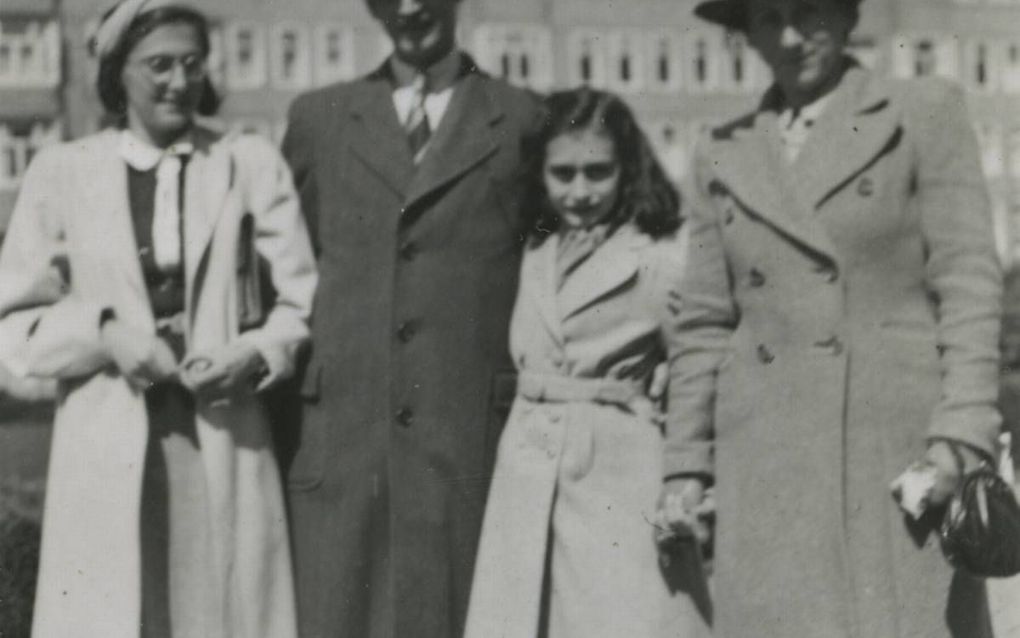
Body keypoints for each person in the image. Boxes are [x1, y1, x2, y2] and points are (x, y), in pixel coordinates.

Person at [670, 0, 1003, 636]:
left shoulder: (920, 112)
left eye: (808, 13)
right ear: (748, 35)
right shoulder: (722, 149)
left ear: (847, 16)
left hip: (890, 448)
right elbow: (704, 324)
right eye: (768, 20)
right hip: (764, 452)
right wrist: (685, 466)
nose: (791, 38)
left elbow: (967, 281)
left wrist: (959, 437)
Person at [0, 2, 317, 636]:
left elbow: (299, 298)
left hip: (223, 422)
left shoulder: (247, 162)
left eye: (192, 64)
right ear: (118, 73)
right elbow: (15, 323)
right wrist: (105, 333)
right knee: (121, 608)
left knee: (220, 607)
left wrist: (254, 353)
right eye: (159, 65)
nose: (179, 81)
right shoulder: (64, 172)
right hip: (107, 433)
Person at [278, 0, 541, 635]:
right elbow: (278, 269)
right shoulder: (319, 119)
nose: (411, 7)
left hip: (468, 438)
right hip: (343, 440)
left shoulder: (525, 118)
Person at [463, 88, 712, 638]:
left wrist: (686, 468)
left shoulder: (658, 256)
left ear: (628, 169)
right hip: (527, 469)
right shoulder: (534, 248)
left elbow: (697, 363)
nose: (579, 192)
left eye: (598, 172)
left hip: (616, 474)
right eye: (563, 173)